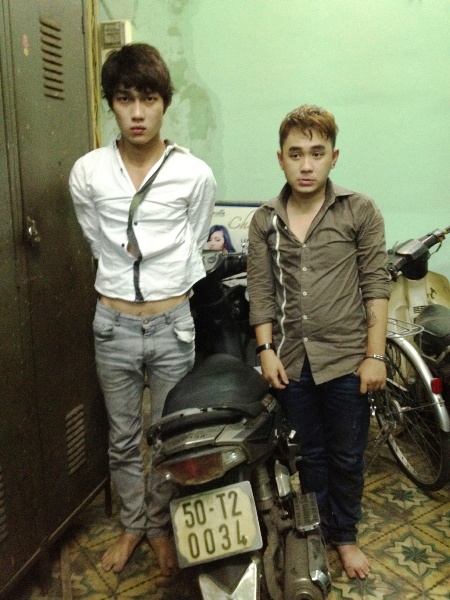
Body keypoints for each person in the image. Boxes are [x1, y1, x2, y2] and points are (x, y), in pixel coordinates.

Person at [69, 43, 216, 576]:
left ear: (164, 104)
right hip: (113, 326)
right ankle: (134, 526)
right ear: (110, 103)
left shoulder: (194, 174)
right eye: (125, 98)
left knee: (170, 434)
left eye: (148, 99)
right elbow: (96, 239)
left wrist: (161, 285)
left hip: (173, 324)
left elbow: (193, 239)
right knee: (124, 437)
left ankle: (161, 528)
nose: (137, 112)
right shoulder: (88, 172)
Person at [247, 104, 390, 579]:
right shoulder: (265, 220)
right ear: (280, 159)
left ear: (333, 157)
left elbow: (375, 285)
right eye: (295, 154)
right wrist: (265, 350)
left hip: (348, 360)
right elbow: (261, 292)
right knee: (308, 454)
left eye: (316, 153)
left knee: (347, 455)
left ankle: (344, 535)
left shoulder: (359, 210)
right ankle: (314, 531)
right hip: (291, 361)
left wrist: (375, 356)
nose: (306, 165)